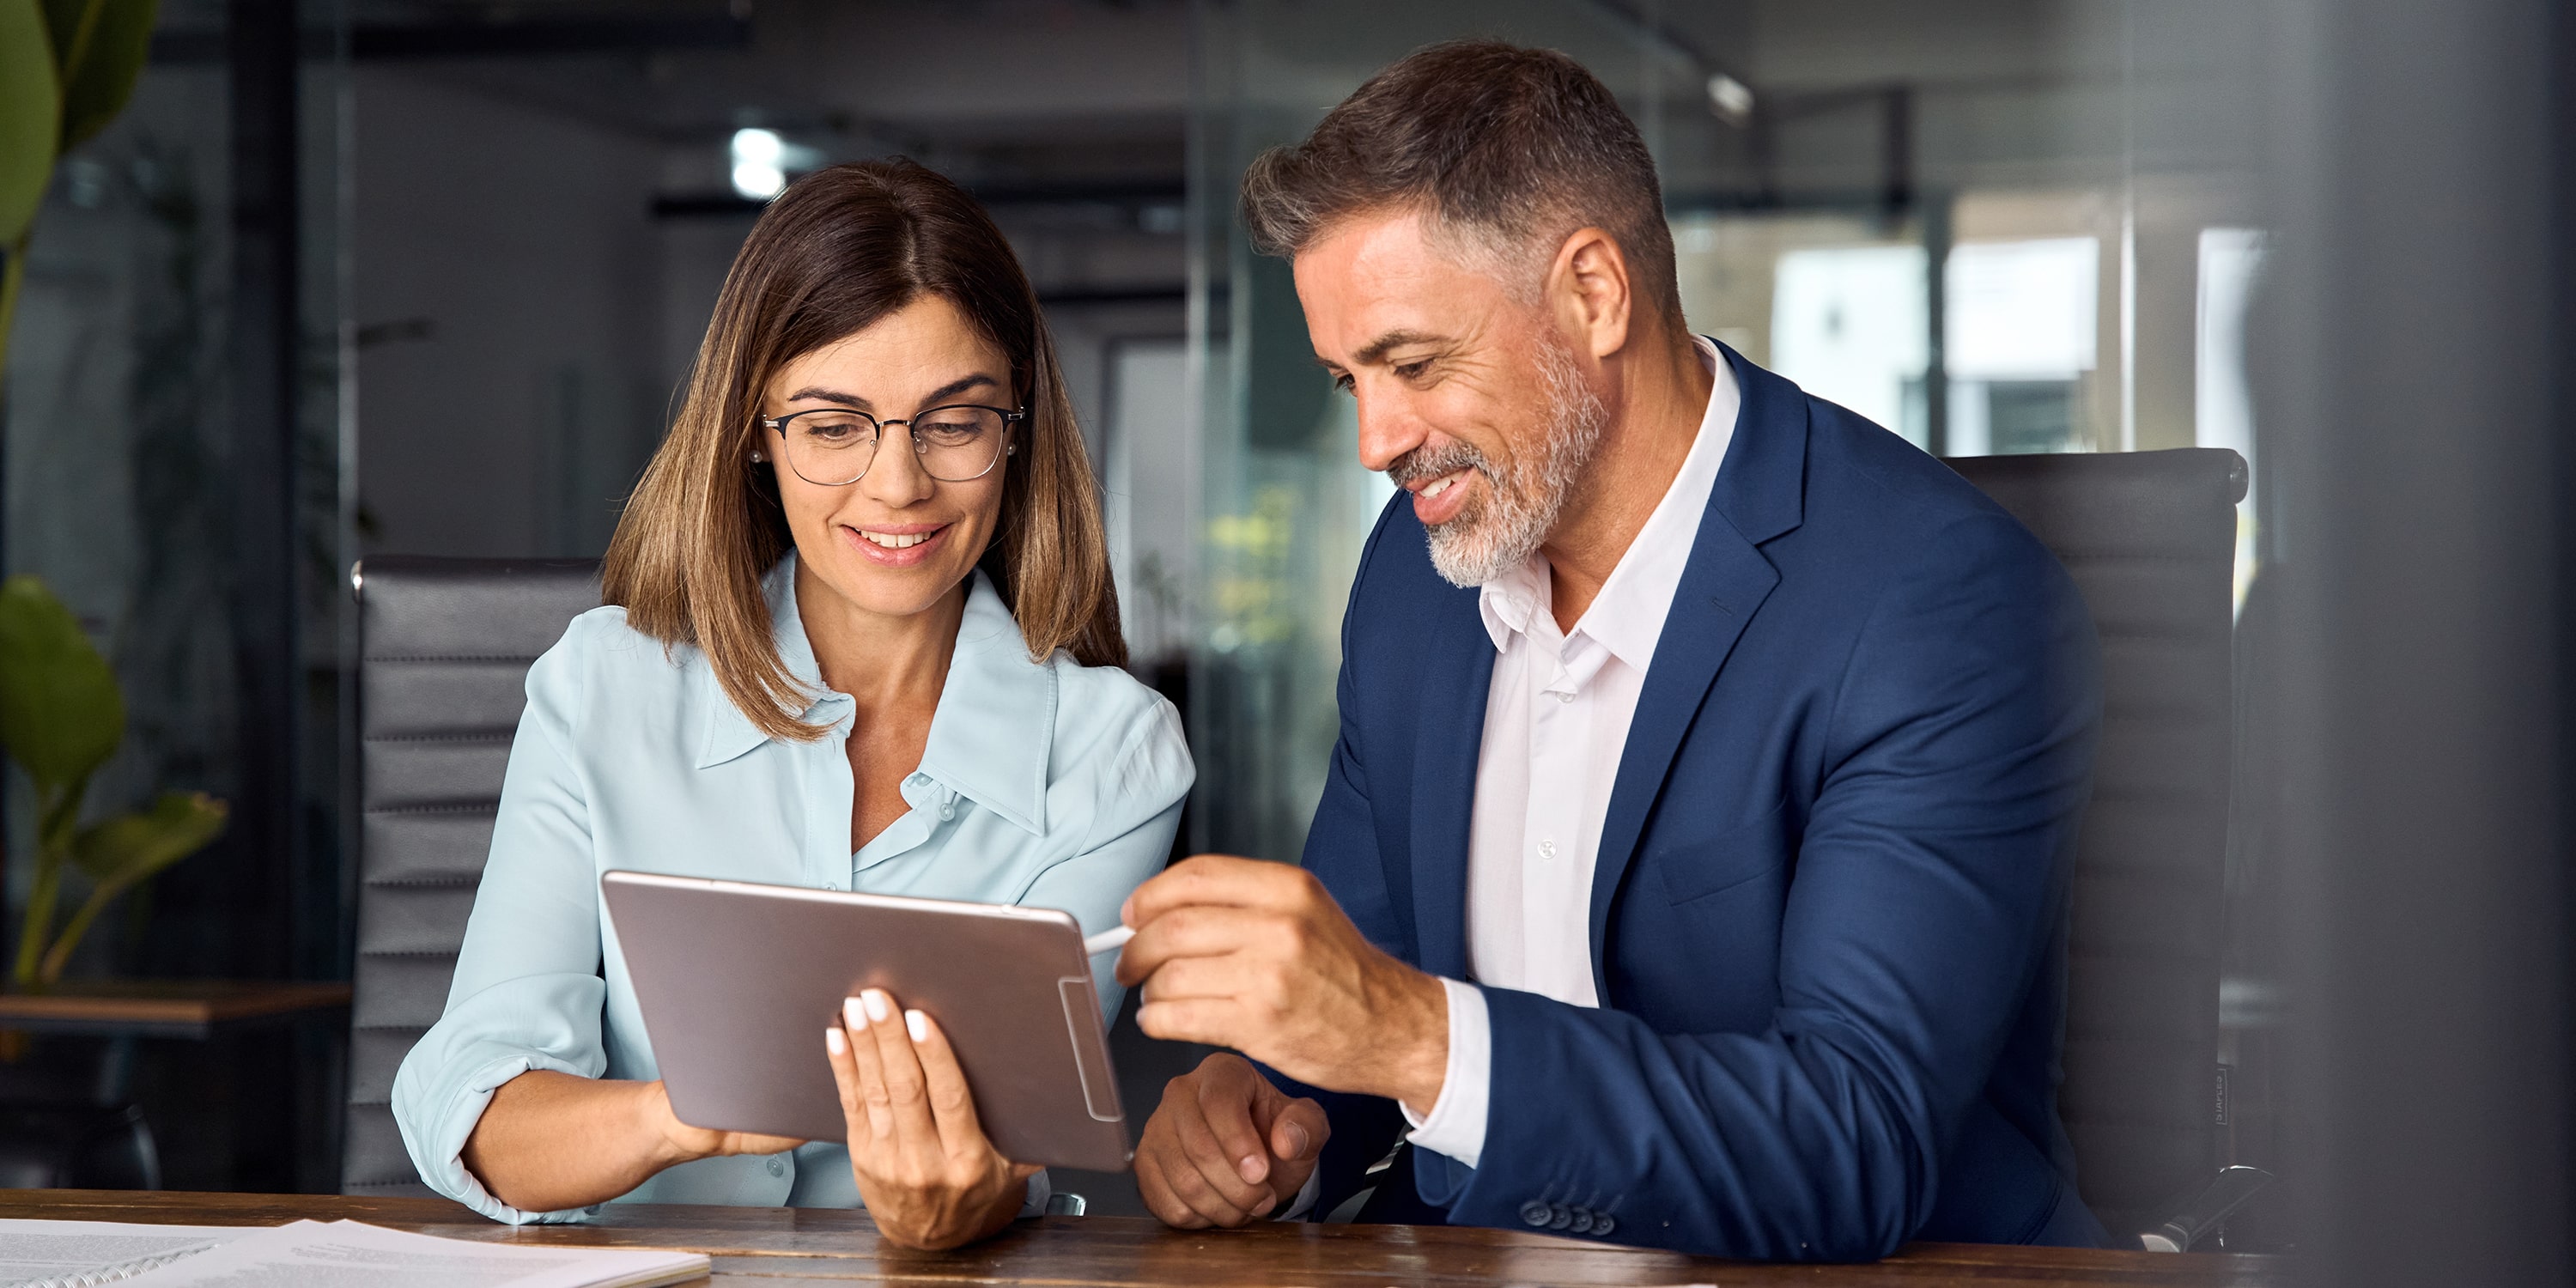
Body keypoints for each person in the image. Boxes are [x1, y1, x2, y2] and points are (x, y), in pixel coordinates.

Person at [1115, 41, 2105, 1260]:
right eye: (1345, 380)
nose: (1375, 439)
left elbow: (1860, 1142)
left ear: (1594, 292)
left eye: (1414, 364)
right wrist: (1265, 1114)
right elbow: (1367, 992)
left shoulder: (1934, 605)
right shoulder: (1416, 581)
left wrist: (1416, 1039)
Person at [391, 160, 1192, 1251]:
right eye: (833, 426)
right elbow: (478, 1110)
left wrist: (959, 1200)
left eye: (953, 422)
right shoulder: (603, 690)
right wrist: (692, 1110)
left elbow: (1015, 1144)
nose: (898, 484)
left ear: (1017, 428)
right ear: (755, 436)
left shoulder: (1114, 754)